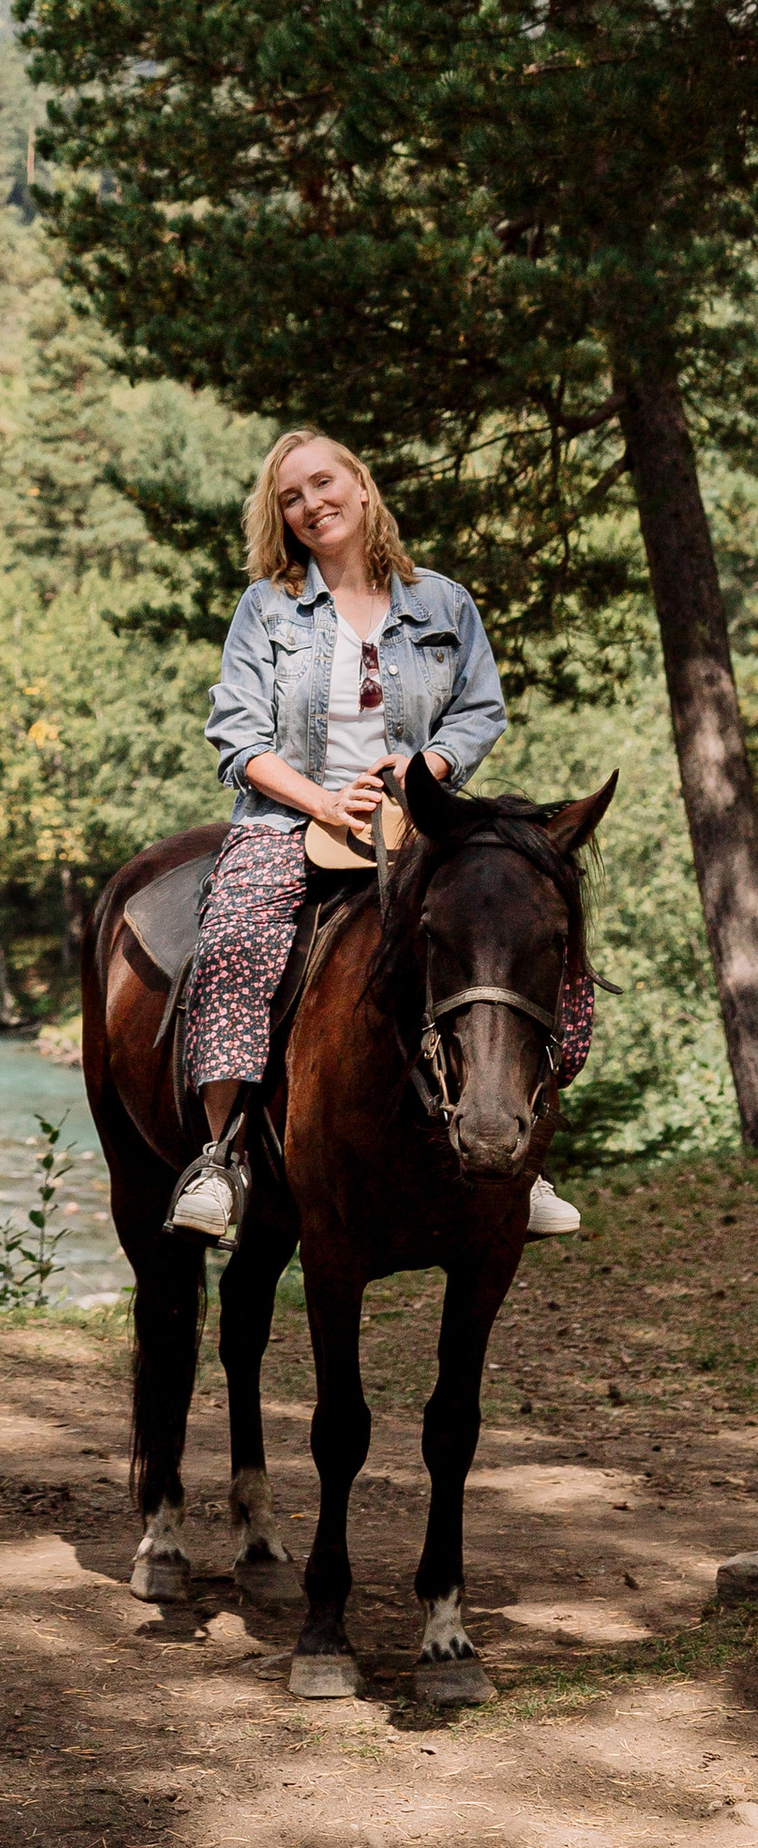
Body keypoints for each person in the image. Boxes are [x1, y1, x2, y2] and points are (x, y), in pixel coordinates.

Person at [168, 427, 592, 1245]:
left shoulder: (443, 602)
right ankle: (221, 1158)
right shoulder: (268, 607)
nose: (311, 504)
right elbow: (239, 740)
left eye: (323, 484)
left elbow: (479, 710)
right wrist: (323, 805)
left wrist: (428, 765)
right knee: (235, 943)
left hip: (423, 822)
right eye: (290, 497)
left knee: (530, 932)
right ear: (280, 517)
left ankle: (524, 1153)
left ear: (361, 488)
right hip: (293, 821)